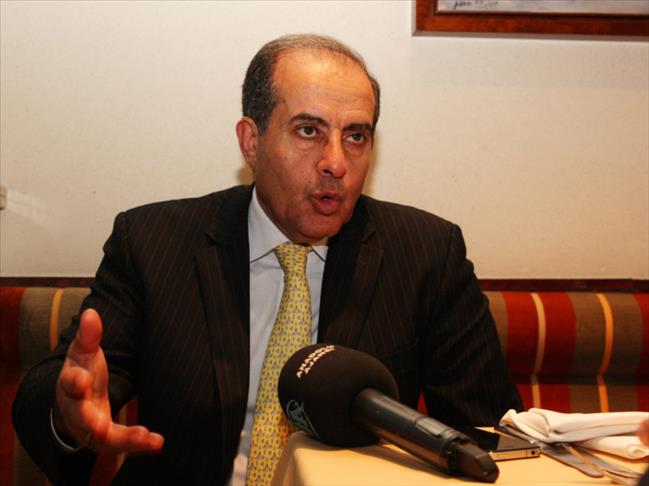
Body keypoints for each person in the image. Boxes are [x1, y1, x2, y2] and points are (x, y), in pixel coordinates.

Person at [12, 34, 522, 485]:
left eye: (356, 136)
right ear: (251, 141)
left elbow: (494, 432)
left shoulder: (427, 253)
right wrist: (66, 415)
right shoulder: (153, 242)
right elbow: (56, 390)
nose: (336, 162)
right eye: (308, 131)